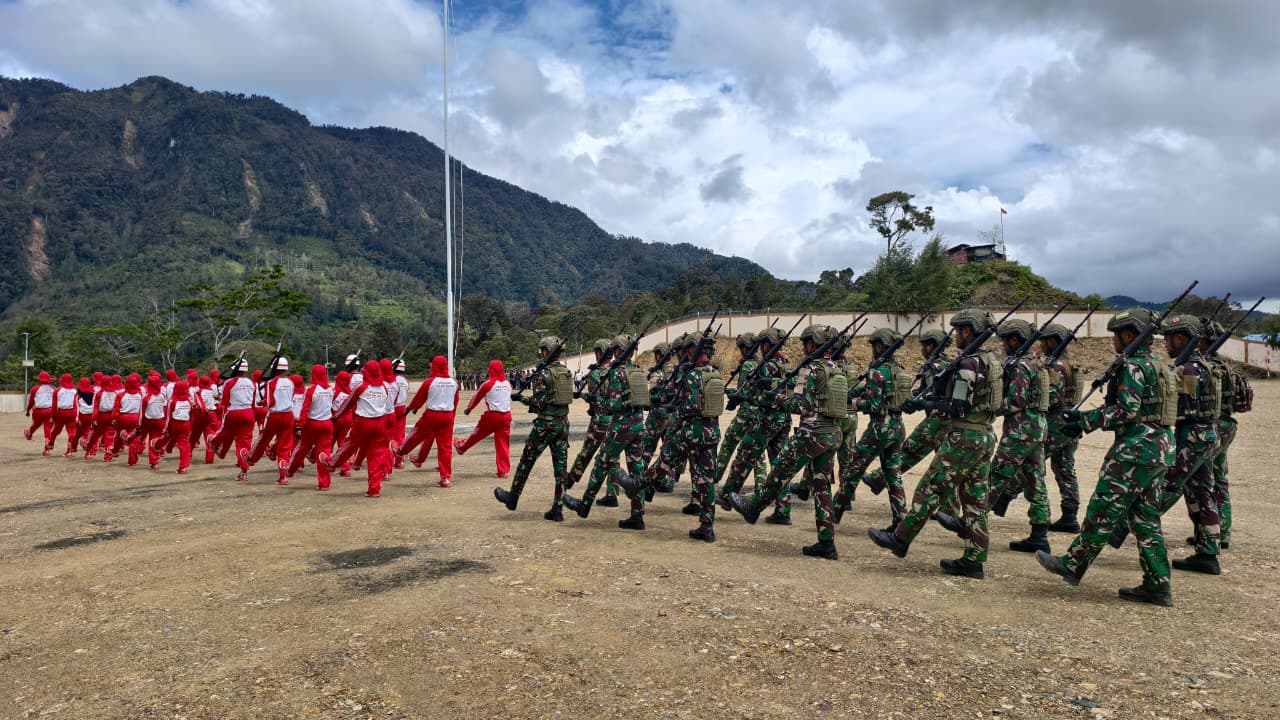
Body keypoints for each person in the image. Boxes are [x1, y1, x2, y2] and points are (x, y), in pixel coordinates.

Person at [1036, 308, 1176, 606]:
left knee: (1103, 507)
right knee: (1145, 518)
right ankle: (1158, 584)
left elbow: (1126, 409)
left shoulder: (1133, 366)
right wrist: (1086, 415)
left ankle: (1073, 564)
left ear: (1128, 335)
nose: (1113, 340)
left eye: (1116, 334)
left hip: (1136, 449)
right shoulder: (1156, 364)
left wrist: (1086, 421)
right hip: (1160, 446)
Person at [868, 309, 1001, 579]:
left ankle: (900, 538)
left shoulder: (968, 364)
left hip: (965, 436)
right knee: (975, 499)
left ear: (968, 331)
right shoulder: (991, 361)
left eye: (959, 330)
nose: (956, 336)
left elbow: (958, 407)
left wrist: (924, 403)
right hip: (984, 434)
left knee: (930, 487)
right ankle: (974, 559)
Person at [728, 325, 846, 559]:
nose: (804, 348)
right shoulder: (835, 368)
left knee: (779, 472)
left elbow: (800, 406)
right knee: (822, 488)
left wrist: (777, 398)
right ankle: (826, 542)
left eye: (806, 343)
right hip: (831, 433)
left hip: (810, 434)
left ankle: (753, 508)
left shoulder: (810, 369)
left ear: (812, 343)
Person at [563, 335, 653, 530]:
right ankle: (637, 515)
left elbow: (612, 404)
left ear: (620, 351)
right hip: (639, 424)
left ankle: (584, 505)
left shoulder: (617, 373)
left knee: (601, 462)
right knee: (636, 470)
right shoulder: (636, 371)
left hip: (621, 425)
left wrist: (595, 401)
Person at [832, 328, 909, 531]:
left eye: (874, 345)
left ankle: (833, 512)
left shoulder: (877, 371)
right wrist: (854, 393)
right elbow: (874, 390)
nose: (873, 349)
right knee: (893, 475)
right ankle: (900, 521)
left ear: (880, 346)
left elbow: (873, 404)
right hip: (897, 426)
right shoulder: (898, 370)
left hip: (879, 428)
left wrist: (853, 402)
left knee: (852, 470)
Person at [986, 320, 1052, 555]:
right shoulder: (1036, 363)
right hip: (1037, 428)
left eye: (1005, 340)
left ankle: (970, 522)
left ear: (1015, 340)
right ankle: (1039, 535)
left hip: (1020, 430)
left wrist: (990, 406)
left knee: (997, 474)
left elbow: (1016, 401)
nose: (1003, 345)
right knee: (1036, 481)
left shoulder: (1022, 366)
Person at [872, 329, 953, 512]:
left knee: (910, 449)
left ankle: (879, 478)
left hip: (937, 419)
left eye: (924, 345)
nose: (922, 349)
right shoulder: (948, 363)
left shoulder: (935, 367)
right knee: (945, 465)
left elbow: (933, 393)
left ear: (931, 345)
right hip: (948, 420)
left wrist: (916, 403)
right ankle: (949, 509)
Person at [494, 336, 574, 520]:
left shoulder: (543, 374)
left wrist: (521, 399)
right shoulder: (566, 372)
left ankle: (513, 498)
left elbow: (538, 404)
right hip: (563, 424)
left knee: (526, 461)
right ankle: (558, 508)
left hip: (545, 425)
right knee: (560, 468)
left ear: (547, 351)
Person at [719, 327, 792, 524]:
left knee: (744, 456)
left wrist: (743, 397)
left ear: (768, 344)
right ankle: (783, 509)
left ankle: (726, 497)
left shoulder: (767, 367)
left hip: (767, 419)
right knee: (779, 465)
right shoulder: (786, 364)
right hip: (783, 419)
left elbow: (760, 396)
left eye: (762, 345)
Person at [1040, 324, 1085, 533]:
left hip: (1056, 422)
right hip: (1069, 420)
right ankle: (1070, 515)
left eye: (1045, 340)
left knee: (1032, 464)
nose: (1041, 345)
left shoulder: (1056, 366)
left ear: (1054, 341)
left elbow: (1053, 397)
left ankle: (1040, 514)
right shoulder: (1072, 364)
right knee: (1065, 468)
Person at [324, 360, 392, 496]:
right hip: (380, 423)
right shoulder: (384, 388)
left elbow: (348, 403)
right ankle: (374, 489)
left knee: (349, 445)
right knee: (377, 456)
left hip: (364, 422)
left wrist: (336, 416)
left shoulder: (361, 387)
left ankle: (332, 463)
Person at [564, 339, 620, 505]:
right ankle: (612, 493)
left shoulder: (595, 374)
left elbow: (594, 399)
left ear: (599, 353)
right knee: (613, 458)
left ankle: (570, 480)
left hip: (600, 420)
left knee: (587, 452)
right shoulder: (617, 371)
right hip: (615, 420)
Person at [397, 355, 458, 487]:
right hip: (448, 416)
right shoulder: (454, 383)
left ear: (434, 366)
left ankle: (401, 451)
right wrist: (452, 416)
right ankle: (445, 478)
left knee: (417, 434)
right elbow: (455, 401)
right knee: (445, 447)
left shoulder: (430, 382)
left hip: (432, 414)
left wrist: (410, 409)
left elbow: (420, 397)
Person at [456, 359, 513, 478]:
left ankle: (462, 447)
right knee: (503, 444)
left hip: (492, 416)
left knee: (477, 434)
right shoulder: (508, 384)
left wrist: (469, 409)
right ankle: (503, 471)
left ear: (490, 370)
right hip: (506, 416)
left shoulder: (488, 384)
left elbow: (477, 397)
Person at [245, 358, 296, 485]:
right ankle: (283, 476)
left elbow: (269, 402)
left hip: (274, 415)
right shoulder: (291, 382)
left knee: (264, 438)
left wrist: (261, 402)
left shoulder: (271, 382)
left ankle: (251, 459)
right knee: (284, 446)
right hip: (289, 415)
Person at [209, 359, 257, 482]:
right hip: (249, 413)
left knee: (225, 430)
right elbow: (253, 401)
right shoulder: (252, 383)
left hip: (234, 411)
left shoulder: (230, 382)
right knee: (245, 443)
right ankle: (244, 472)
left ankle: (214, 442)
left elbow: (224, 402)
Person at [289, 365, 335, 490]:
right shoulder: (331, 390)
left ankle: (290, 470)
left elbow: (305, 409)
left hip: (313, 423)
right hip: (327, 423)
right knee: (323, 454)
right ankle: (324, 483)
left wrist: (299, 426)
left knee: (301, 449)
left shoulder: (311, 390)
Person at [106, 375, 141, 464]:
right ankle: (132, 460)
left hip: (123, 417)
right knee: (134, 439)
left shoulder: (121, 395)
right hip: (136, 417)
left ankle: (114, 450)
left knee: (118, 434)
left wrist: (114, 419)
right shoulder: (141, 394)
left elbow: (116, 409)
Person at [162, 380, 194, 473]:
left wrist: (166, 429)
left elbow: (168, 417)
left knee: (170, 438)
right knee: (184, 445)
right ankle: (183, 466)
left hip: (175, 423)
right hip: (186, 423)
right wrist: (191, 426)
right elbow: (191, 414)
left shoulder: (172, 401)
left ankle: (163, 447)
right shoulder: (189, 401)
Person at [138, 373, 169, 470]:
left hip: (148, 420)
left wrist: (140, 424)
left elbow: (142, 413)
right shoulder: (162, 396)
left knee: (139, 438)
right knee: (154, 441)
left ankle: (134, 453)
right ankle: (154, 462)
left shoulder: (146, 398)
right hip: (159, 420)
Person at [46, 374, 79, 457]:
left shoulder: (57, 391)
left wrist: (52, 416)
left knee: (55, 430)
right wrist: (76, 415)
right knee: (71, 432)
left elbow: (54, 405)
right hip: (72, 412)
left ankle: (50, 444)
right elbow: (76, 404)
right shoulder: (75, 390)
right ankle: (69, 452)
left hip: (61, 413)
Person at [331, 371, 354, 477]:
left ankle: (327, 464)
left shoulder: (335, 392)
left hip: (336, 419)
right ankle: (345, 468)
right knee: (342, 443)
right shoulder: (351, 392)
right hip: (348, 419)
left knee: (328, 443)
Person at [24, 371, 55, 445]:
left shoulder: (35, 389)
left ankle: (29, 433)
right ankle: (47, 447)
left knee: (36, 424)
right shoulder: (53, 388)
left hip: (39, 411)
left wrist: (28, 410)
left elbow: (31, 402)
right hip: (50, 410)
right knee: (47, 428)